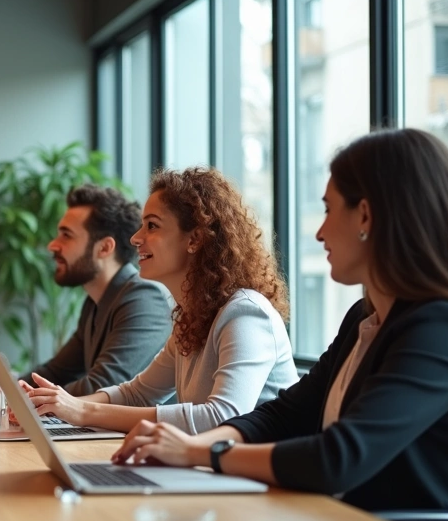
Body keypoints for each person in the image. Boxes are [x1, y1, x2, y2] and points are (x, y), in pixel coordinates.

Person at [112, 129, 448, 514]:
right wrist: (193, 448)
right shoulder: (364, 317)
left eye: (327, 209)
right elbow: (284, 414)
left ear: (366, 216)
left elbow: (337, 458)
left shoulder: (441, 328)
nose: (320, 232)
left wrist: (203, 452)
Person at [25, 167, 297, 434]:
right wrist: (54, 406)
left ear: (195, 239)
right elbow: (136, 394)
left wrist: (81, 411)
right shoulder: (191, 318)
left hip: (263, 478)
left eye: (152, 226)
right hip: (214, 472)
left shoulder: (246, 313)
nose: (135, 238)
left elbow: (222, 417)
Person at [19, 184, 172, 395]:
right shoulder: (94, 303)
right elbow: (54, 372)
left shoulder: (145, 299)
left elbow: (103, 385)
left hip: (142, 428)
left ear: (104, 248)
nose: (52, 245)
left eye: (66, 235)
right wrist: (7, 392)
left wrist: (33, 400)